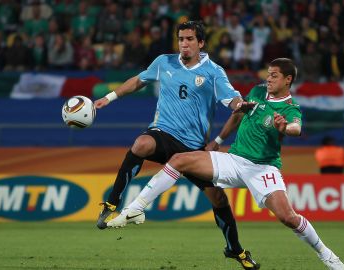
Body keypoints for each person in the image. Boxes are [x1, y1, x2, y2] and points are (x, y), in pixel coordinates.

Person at [107, 58, 344, 270]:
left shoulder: (289, 108)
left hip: (263, 169)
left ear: (288, 79)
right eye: (268, 73)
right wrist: (219, 140)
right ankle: (135, 209)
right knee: (178, 160)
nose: (268, 78)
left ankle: (327, 255)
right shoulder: (258, 91)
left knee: (288, 217)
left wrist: (285, 128)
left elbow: (296, 128)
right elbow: (238, 114)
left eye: (274, 75)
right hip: (233, 160)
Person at [94, 21, 259, 270]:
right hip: (163, 133)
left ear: (201, 43)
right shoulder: (164, 62)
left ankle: (235, 250)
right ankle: (112, 203)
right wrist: (110, 97)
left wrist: (240, 105)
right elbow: (139, 81)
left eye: (190, 39)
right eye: (181, 39)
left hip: (193, 149)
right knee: (141, 143)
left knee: (219, 199)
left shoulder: (213, 72)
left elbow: (232, 99)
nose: (184, 43)